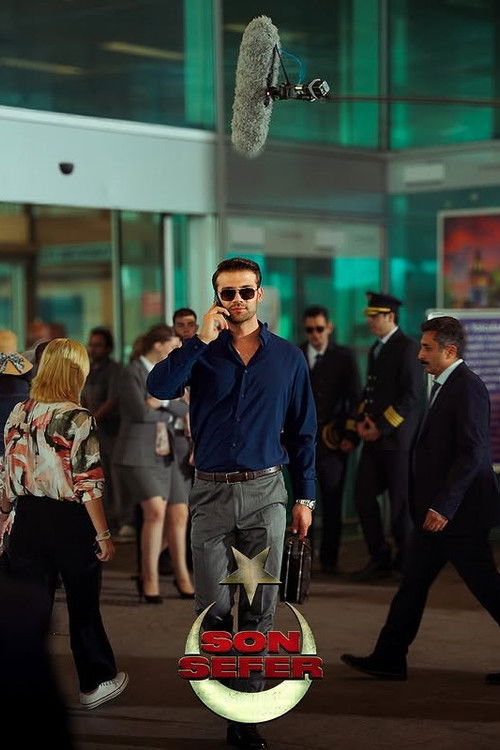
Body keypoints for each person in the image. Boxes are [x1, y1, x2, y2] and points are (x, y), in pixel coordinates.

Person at [147, 257, 316, 750]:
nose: (237, 300)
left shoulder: (288, 358)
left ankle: (245, 714)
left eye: (245, 291)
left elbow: (304, 432)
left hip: (267, 495)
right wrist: (197, 341)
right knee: (214, 609)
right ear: (217, 298)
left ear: (259, 294)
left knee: (261, 610)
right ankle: (226, 693)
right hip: (211, 493)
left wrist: (306, 497)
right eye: (228, 293)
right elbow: (158, 388)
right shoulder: (201, 353)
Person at [341, 316, 500, 684]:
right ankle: (389, 658)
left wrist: (445, 506)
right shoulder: (445, 385)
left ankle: (389, 656)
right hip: (436, 515)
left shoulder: (467, 387)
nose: (420, 355)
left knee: (489, 589)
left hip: (458, 516)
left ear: (450, 350)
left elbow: (472, 454)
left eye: (427, 348)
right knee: (412, 585)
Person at [0, 338, 128, 709]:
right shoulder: (78, 417)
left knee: (28, 609)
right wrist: (103, 534)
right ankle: (95, 682)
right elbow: (88, 482)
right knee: (82, 605)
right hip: (71, 521)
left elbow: (7, 470)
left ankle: (21, 687)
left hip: (27, 519)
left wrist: (5, 512)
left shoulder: (20, 411)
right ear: (75, 371)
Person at [113, 325, 194, 602]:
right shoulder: (131, 372)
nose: (177, 349)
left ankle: (182, 576)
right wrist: (168, 405)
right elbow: (139, 412)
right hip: (138, 451)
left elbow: (185, 407)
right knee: (156, 511)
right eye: (173, 343)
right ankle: (149, 580)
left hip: (169, 450)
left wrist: (160, 402)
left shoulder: (170, 371)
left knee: (180, 513)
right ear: (158, 344)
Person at [351, 291, 423, 581]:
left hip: (397, 442)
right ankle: (379, 557)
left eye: (375, 316)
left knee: (400, 506)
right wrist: (360, 422)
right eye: (369, 316)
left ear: (390, 316)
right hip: (374, 441)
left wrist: (380, 427)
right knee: (363, 496)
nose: (370, 321)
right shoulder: (376, 349)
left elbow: (411, 396)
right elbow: (370, 393)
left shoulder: (408, 348)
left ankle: (406, 563)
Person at [300, 306, 361, 574]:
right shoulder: (296, 354)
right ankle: (303, 558)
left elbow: (355, 399)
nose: (315, 334)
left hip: (333, 440)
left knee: (333, 500)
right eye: (309, 330)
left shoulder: (344, 357)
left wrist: (350, 434)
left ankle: (329, 560)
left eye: (319, 329)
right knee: (303, 501)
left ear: (329, 327)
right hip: (302, 443)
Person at [81, 327, 124, 536]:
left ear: (108, 348)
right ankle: (103, 520)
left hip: (111, 430)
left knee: (113, 476)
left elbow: (113, 399)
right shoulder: (88, 369)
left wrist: (92, 419)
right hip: (92, 432)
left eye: (98, 345)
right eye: (91, 345)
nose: (93, 349)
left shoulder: (115, 370)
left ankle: (119, 520)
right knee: (96, 475)